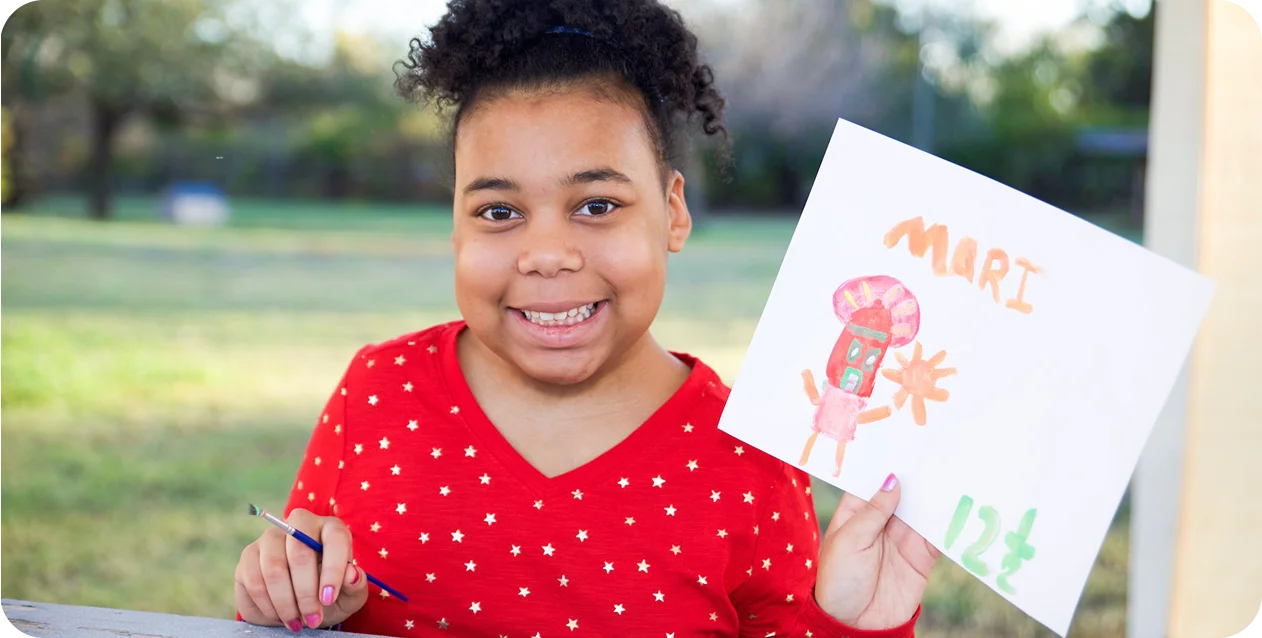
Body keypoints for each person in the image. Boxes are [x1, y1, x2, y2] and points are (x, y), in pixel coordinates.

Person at [233, 0, 941, 635]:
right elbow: (297, 590)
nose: (547, 255)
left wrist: (857, 626)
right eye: (498, 211)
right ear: (454, 225)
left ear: (673, 212)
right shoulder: (377, 393)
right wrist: (286, 597)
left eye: (597, 205)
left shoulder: (752, 457)